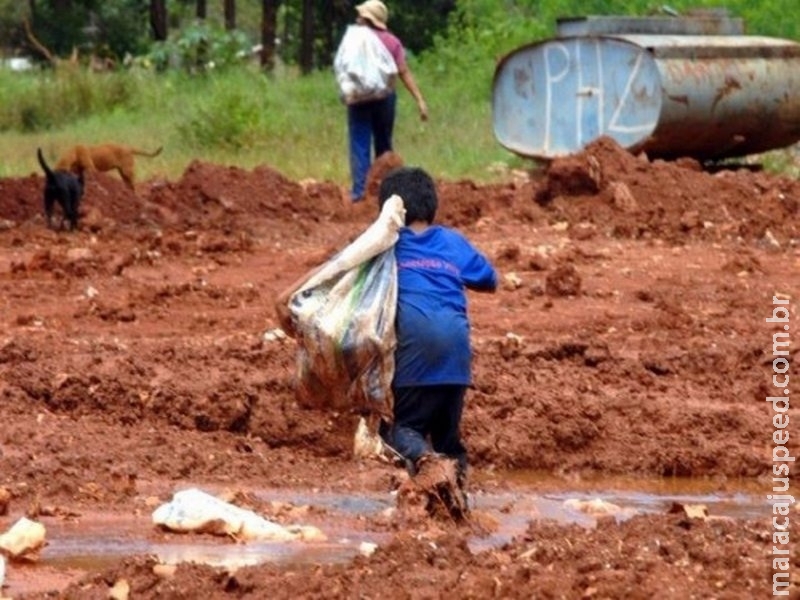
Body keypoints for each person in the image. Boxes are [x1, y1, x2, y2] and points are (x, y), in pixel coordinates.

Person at [376, 166, 497, 497]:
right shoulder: (451, 242)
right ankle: (457, 504)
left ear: (390, 212)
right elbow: (489, 279)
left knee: (403, 429)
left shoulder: (385, 245)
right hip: (457, 359)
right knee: (448, 438)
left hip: (415, 355)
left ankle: (428, 464)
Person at [338, 0, 428, 202]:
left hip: (358, 100)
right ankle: (385, 192)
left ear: (367, 18)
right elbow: (403, 72)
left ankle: (360, 192)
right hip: (385, 100)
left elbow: (343, 67)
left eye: (361, 15)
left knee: (359, 144)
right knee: (384, 146)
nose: (357, 18)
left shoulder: (354, 40)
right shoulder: (392, 42)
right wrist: (420, 100)